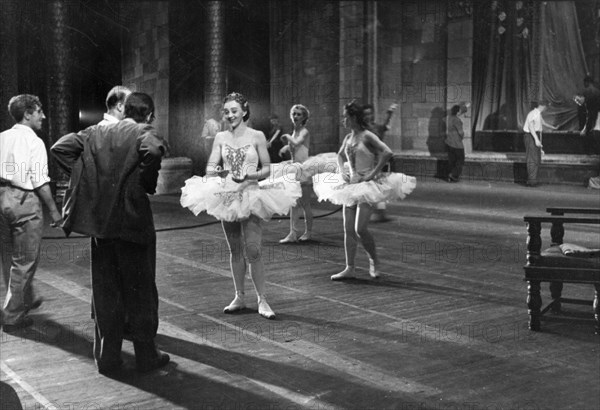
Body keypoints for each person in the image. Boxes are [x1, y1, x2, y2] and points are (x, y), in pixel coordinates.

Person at [51, 92, 169, 374]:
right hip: (133, 221)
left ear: (123, 109)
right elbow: (153, 152)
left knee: (106, 290)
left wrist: (89, 178)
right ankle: (145, 355)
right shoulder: (143, 131)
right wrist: (145, 182)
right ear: (149, 115)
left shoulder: (94, 132)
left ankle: (108, 357)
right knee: (139, 289)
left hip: (101, 224)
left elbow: (59, 148)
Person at [180, 92, 301, 319]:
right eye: (226, 112)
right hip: (228, 195)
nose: (230, 115)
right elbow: (210, 167)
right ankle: (239, 296)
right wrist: (216, 172)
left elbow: (267, 167)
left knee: (253, 249)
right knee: (235, 249)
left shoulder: (256, 136)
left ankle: (262, 299)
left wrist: (250, 175)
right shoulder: (220, 137)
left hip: (251, 194)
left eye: (234, 111)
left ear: (244, 111)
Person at [313, 101, 416, 280]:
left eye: (345, 116)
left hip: (366, 186)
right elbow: (339, 155)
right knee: (348, 229)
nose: (343, 120)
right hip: (350, 186)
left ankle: (373, 260)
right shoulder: (348, 138)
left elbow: (387, 152)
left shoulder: (367, 136)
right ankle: (349, 267)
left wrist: (372, 174)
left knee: (360, 228)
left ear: (353, 117)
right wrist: (341, 170)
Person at [0, 94, 63, 332]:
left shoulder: (2, 137)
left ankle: (23, 297)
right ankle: (13, 315)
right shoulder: (34, 142)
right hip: (23, 200)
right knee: (25, 260)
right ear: (27, 114)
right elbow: (39, 182)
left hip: (1, 198)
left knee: (9, 256)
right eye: (39, 111)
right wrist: (55, 213)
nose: (43, 116)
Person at [279, 104, 314, 243]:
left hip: (303, 169)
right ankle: (292, 233)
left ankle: (308, 232)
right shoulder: (294, 131)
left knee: (305, 203)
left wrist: (287, 138)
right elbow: (295, 145)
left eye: (299, 114)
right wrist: (286, 147)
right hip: (294, 168)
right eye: (294, 114)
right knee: (294, 202)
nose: (296, 116)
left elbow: (298, 142)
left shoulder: (304, 131)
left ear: (304, 117)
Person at [363, 103, 398, 222]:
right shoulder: (361, 129)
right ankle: (366, 213)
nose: (368, 116)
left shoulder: (374, 128)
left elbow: (383, 128)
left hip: (377, 161)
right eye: (366, 114)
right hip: (365, 162)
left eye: (370, 113)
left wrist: (390, 113)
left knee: (379, 187)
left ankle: (380, 213)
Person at [522, 100, 550, 187]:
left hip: (535, 135)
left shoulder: (538, 114)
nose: (547, 108)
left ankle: (532, 180)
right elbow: (530, 126)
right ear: (543, 106)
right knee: (532, 158)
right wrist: (536, 139)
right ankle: (531, 181)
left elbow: (543, 123)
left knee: (536, 158)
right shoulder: (533, 113)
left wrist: (554, 127)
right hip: (531, 136)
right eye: (546, 106)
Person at [445, 104, 467, 183]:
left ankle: (451, 177)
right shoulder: (457, 120)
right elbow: (461, 133)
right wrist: (463, 136)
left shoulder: (450, 118)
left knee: (452, 161)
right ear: (458, 112)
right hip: (457, 144)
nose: (461, 112)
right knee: (461, 160)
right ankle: (453, 175)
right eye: (460, 111)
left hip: (449, 142)